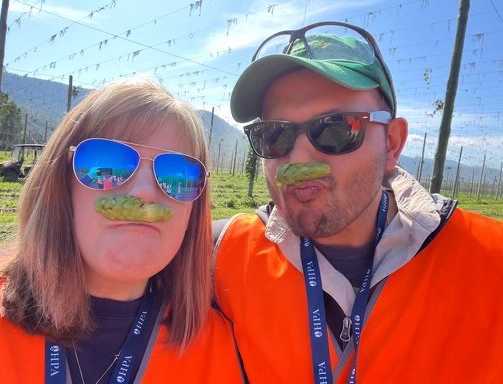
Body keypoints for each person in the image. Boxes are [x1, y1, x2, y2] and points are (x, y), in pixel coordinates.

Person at [214, 21, 503, 383]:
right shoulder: (218, 260)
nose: (299, 159)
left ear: (392, 144)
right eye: (274, 135)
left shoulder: (491, 264)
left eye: (336, 128)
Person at [0, 77, 243, 383]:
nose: (144, 192)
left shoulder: (216, 349)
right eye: (108, 164)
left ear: (193, 212)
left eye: (178, 175)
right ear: (60, 185)